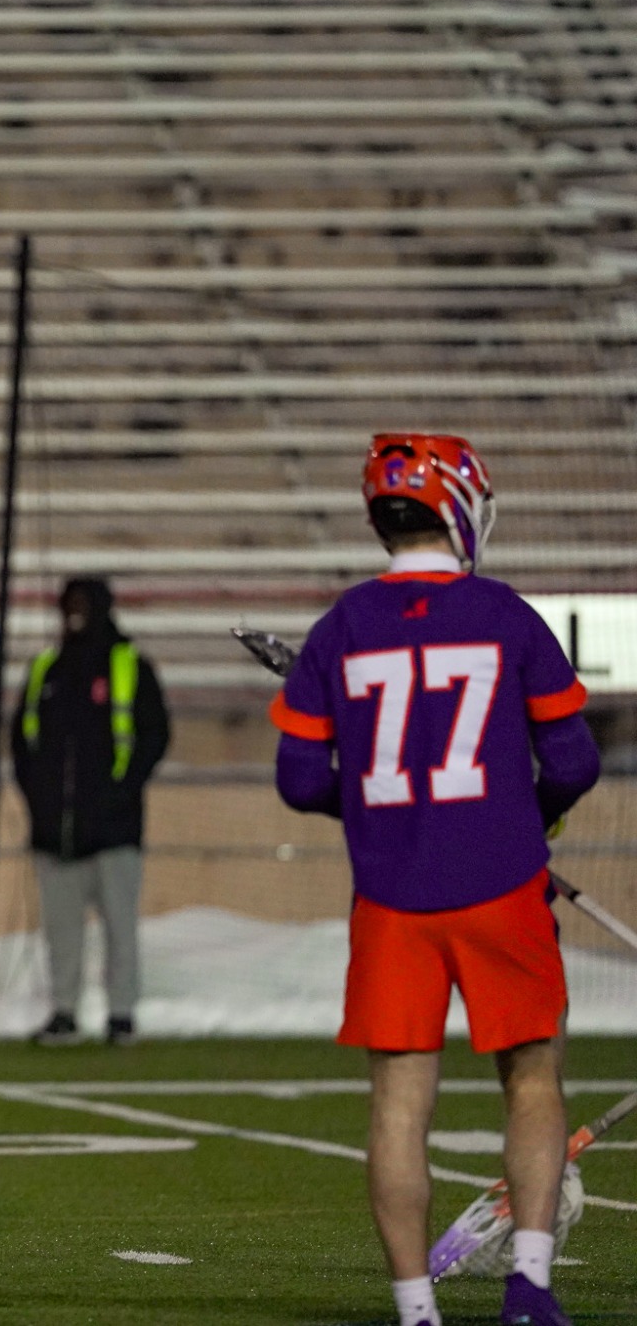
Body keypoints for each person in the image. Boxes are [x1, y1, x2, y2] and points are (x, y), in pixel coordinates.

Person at [271, 433, 598, 1326]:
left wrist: (381, 803)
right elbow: (574, 756)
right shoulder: (504, 613)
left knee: (399, 1104)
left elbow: (300, 779)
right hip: (502, 883)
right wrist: (531, 809)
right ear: (461, 506)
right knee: (533, 1076)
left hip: (391, 898)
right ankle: (528, 1283)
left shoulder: (341, 624)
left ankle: (417, 1309)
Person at [11, 576, 169, 1047]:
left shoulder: (130, 665)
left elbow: (153, 737)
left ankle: (121, 1014)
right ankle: (64, 1010)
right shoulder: (46, 668)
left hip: (115, 828)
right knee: (62, 930)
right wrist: (39, 801)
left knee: (121, 926)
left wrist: (118, 796)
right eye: (69, 604)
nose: (75, 613)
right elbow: (23, 742)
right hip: (53, 828)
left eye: (84, 604)